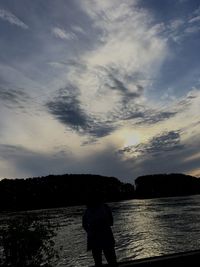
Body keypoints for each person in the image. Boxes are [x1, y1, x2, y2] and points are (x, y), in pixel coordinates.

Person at [82, 191, 117, 266]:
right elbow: (111, 222)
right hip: (106, 237)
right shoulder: (105, 208)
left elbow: (84, 225)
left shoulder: (87, 211)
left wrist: (90, 231)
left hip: (94, 239)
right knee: (112, 260)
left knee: (98, 262)